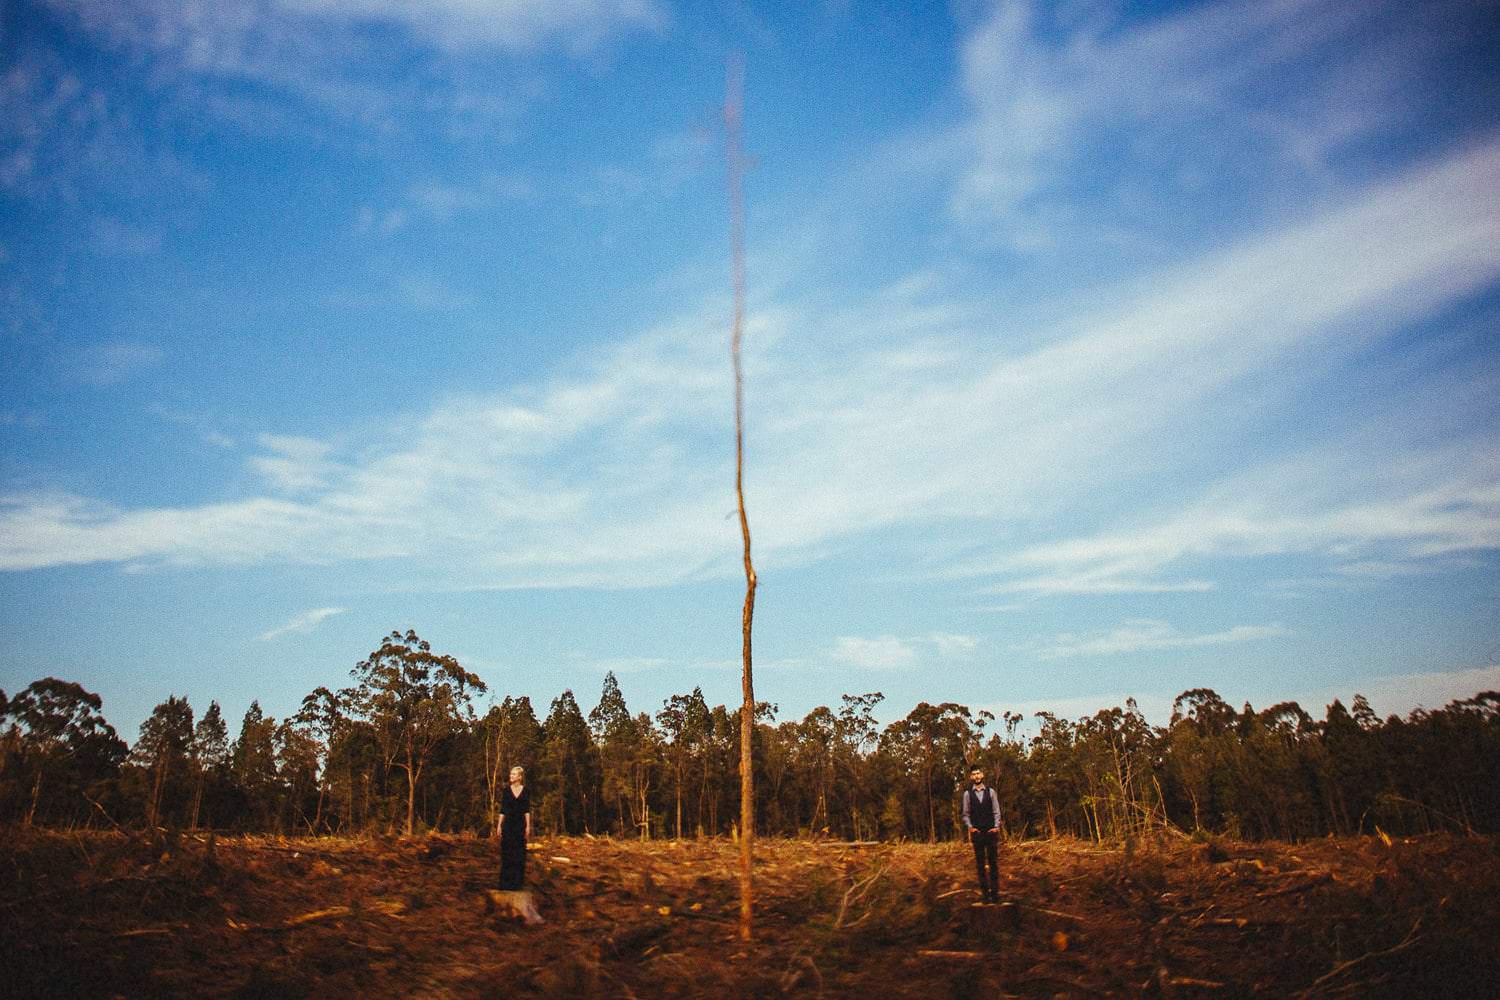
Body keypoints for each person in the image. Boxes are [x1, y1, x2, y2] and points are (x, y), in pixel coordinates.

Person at [962, 765, 1001, 903]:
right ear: (971, 777)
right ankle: (985, 895)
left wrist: (996, 827)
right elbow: (965, 814)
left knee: (993, 863)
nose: (977, 776)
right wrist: (971, 827)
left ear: (982, 775)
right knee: (980, 865)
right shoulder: (967, 794)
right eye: (974, 774)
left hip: (991, 832)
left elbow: (996, 811)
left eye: (978, 773)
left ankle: (995, 894)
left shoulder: (991, 792)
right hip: (977, 834)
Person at [497, 765, 532, 891]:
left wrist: (528, 826)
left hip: (520, 825)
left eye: (513, 774)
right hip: (508, 825)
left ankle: (517, 884)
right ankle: (505, 884)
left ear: (520, 777)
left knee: (519, 854)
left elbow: (526, 810)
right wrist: (499, 825)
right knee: (507, 854)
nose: (511, 776)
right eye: (510, 774)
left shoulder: (526, 791)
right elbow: (503, 809)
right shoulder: (506, 791)